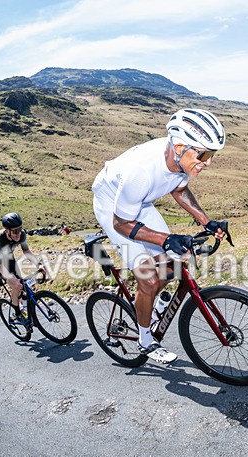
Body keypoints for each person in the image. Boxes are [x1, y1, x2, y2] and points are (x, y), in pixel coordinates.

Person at [91, 108, 228, 364]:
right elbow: (121, 223)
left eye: (212, 155)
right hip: (113, 208)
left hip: (139, 203)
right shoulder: (140, 172)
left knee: (174, 263)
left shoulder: (181, 158)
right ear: (178, 146)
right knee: (149, 279)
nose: (208, 162)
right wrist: (165, 240)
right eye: (204, 154)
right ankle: (145, 338)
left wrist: (207, 222)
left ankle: (150, 301)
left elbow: (181, 190)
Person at [0, 212, 44, 317]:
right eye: (15, 231)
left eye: (20, 229)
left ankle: (26, 308)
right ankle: (17, 312)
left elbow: (27, 252)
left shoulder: (21, 234)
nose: (18, 233)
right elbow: (0, 266)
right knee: (15, 285)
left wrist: (39, 265)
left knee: (22, 283)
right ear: (7, 231)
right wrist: (11, 279)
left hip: (9, 256)